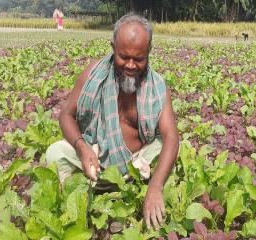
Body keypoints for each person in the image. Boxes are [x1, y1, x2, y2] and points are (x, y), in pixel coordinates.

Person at [45, 13, 180, 230]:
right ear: (113, 47)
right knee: (54, 153)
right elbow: (66, 115)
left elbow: (171, 136)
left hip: (138, 166)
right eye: (123, 56)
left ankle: (140, 188)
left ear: (149, 52)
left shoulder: (157, 87)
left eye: (139, 59)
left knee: (171, 148)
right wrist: (81, 148)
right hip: (96, 162)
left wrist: (155, 187)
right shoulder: (93, 74)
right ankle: (80, 193)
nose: (130, 65)